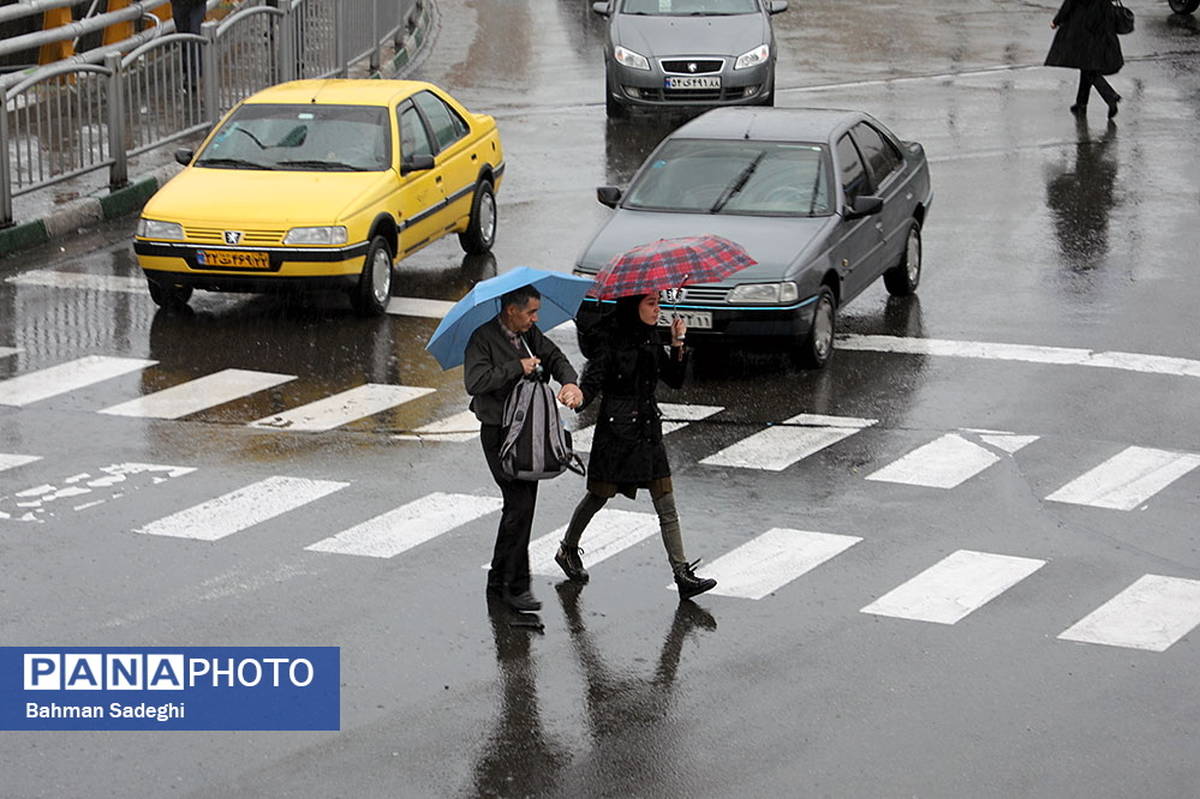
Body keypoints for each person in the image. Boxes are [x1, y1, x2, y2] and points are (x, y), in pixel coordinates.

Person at [554, 293, 717, 600]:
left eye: (659, 303)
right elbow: (592, 382)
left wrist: (678, 343)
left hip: (647, 430)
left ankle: (682, 573)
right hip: (616, 433)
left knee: (665, 501)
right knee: (598, 496)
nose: (658, 310)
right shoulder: (610, 338)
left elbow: (674, 380)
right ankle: (568, 549)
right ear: (634, 305)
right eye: (652, 303)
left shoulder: (652, 335)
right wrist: (577, 395)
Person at [464, 285, 583, 612]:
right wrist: (518, 366)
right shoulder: (483, 338)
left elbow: (556, 357)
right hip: (499, 433)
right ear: (510, 310)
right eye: (531, 312)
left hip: (529, 431)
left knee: (521, 507)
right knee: (518, 505)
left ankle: (500, 579)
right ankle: (513, 587)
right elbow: (474, 382)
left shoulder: (530, 335)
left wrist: (570, 382)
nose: (536, 317)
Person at [1045, 0, 1124, 118]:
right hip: (1102, 23)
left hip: (1084, 25)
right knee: (1087, 64)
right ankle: (1081, 103)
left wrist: (1056, 21)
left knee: (1088, 66)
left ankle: (1110, 95)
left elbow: (1070, 3)